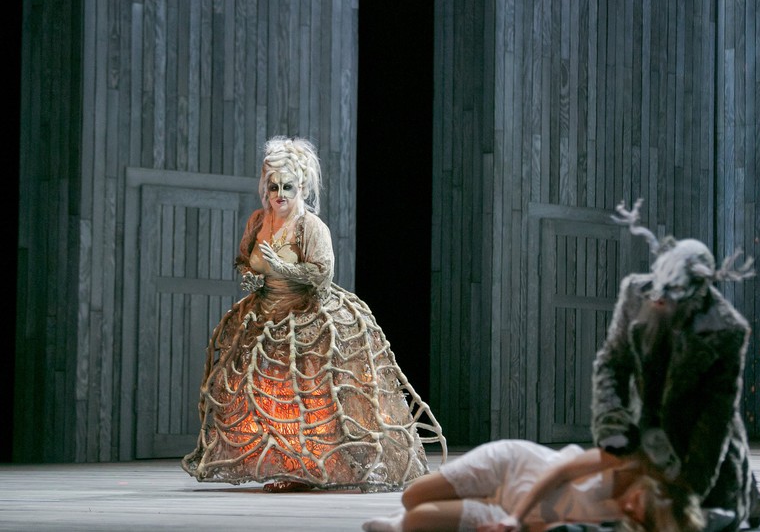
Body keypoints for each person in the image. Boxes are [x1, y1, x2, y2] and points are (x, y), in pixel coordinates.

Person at [181, 135, 447, 492]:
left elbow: (322, 274)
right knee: (266, 393)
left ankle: (319, 463)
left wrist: (282, 268)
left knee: (309, 392)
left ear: (302, 187)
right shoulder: (258, 221)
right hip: (263, 317)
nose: (280, 194)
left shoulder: (310, 227)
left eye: (287, 187)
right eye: (273, 186)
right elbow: (244, 260)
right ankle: (284, 462)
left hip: (306, 316)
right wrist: (252, 275)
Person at [591, 199, 760, 531]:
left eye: (671, 292)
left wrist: (688, 491)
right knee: (621, 510)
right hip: (648, 420)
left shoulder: (727, 330)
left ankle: (749, 493)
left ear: (698, 292)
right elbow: (611, 364)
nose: (659, 299)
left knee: (716, 512)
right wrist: (613, 427)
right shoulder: (635, 293)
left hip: (694, 425)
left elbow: (715, 417)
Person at [361, 437, 704, 532]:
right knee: (412, 497)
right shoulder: (625, 462)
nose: (629, 509)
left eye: (637, 517)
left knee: (416, 520)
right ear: (653, 487)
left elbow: (557, 524)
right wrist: (519, 516)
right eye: (638, 503)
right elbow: (559, 472)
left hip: (510, 512)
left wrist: (515, 523)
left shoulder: (620, 523)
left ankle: (400, 525)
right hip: (512, 467)